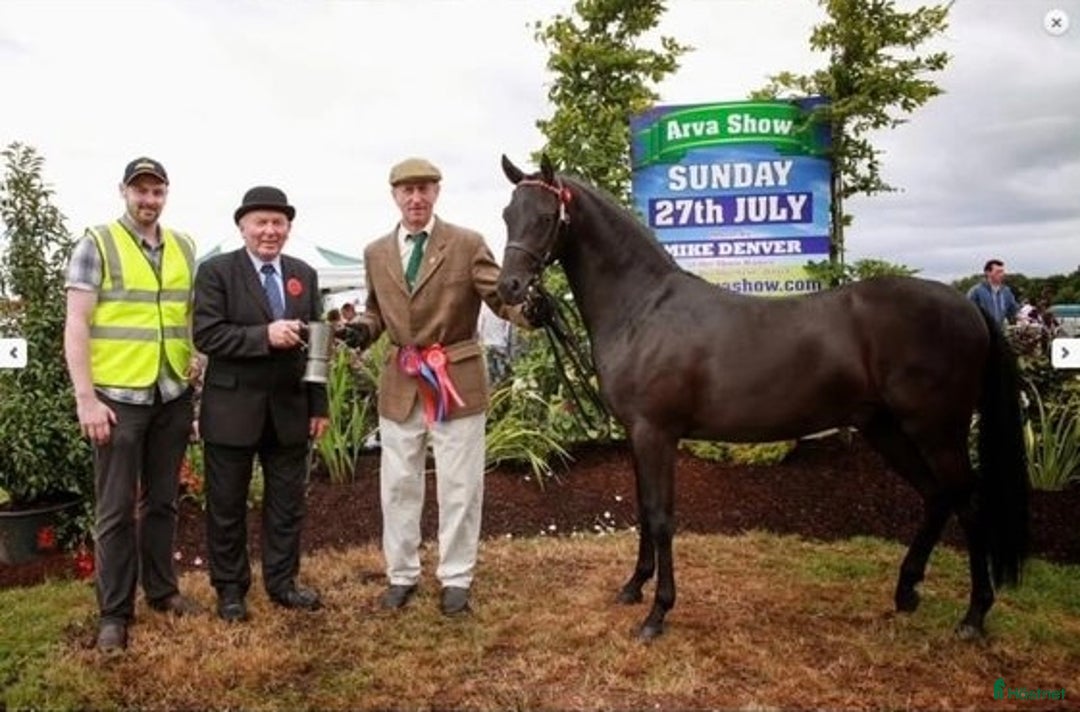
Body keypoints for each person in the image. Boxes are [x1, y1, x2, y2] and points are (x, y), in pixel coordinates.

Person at [349, 157, 541, 616]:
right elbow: (376, 313)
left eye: (424, 189)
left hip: (455, 380)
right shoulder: (376, 252)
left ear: (437, 192)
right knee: (397, 485)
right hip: (401, 383)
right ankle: (401, 574)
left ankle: (456, 577)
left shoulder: (466, 243)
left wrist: (529, 309)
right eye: (407, 190)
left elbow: (501, 297)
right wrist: (362, 327)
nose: (416, 198)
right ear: (394, 195)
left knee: (459, 486)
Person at [63, 156, 202, 653]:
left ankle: (162, 592)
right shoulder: (96, 243)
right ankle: (114, 613)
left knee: (163, 502)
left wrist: (195, 363)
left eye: (157, 191)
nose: (149, 200)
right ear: (123, 191)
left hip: (170, 393)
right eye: (140, 191)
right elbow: (76, 324)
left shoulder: (185, 246)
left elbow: (187, 317)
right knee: (116, 510)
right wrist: (86, 399)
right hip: (117, 400)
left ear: (166, 193)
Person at [193, 186, 329, 622]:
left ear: (288, 228)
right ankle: (230, 590)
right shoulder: (216, 272)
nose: (270, 231)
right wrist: (263, 336)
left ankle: (283, 583)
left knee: (287, 506)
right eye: (261, 222)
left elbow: (318, 344)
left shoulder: (304, 274)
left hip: (289, 411)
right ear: (243, 227)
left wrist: (319, 406)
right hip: (231, 412)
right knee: (227, 507)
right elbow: (207, 335)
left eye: (278, 222)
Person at [967, 258, 1019, 327]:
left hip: (999, 332)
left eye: (1002, 272)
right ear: (988, 273)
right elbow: (968, 313)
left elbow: (1013, 311)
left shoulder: (1007, 292)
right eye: (998, 272)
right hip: (983, 331)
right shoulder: (976, 291)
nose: (1001, 275)